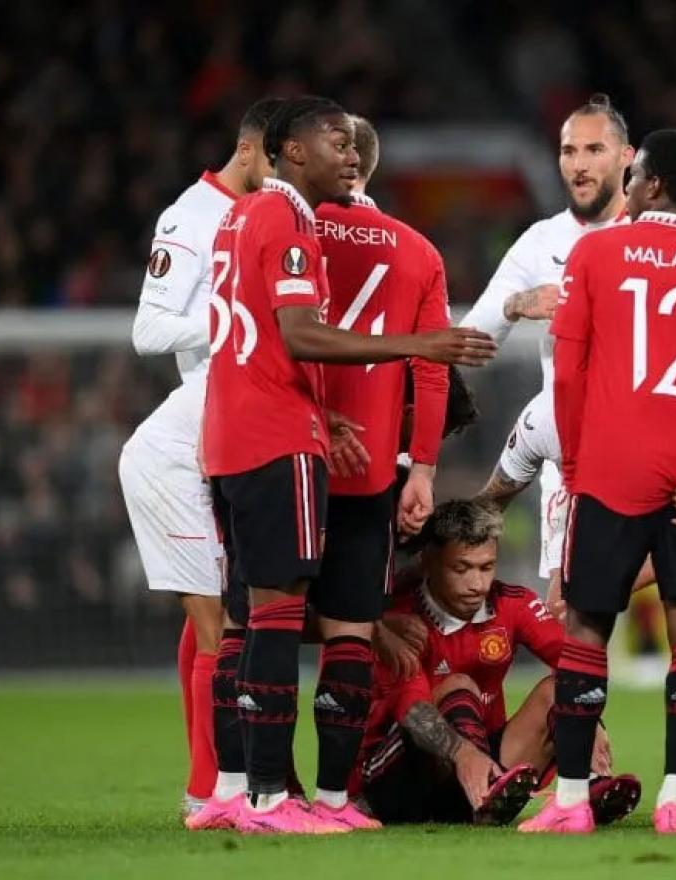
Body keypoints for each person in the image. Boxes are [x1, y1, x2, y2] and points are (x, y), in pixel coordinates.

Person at [200, 95, 496, 835]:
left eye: (346, 144)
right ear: (304, 152)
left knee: (246, 619)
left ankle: (234, 785)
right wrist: (421, 464)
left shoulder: (241, 218)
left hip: (262, 434)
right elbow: (410, 368)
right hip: (340, 457)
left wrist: (318, 411)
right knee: (345, 630)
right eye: (334, 144)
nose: (346, 157)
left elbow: (251, 333)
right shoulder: (406, 248)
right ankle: (316, 796)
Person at [520, 129, 676, 835]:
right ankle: (675, 797)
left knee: (585, 629)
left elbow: (568, 370)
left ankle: (570, 803)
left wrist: (573, 463)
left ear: (654, 185)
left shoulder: (595, 252)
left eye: (634, 176)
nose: (625, 185)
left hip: (610, 471)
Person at [475, 390, 676, 818]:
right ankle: (586, 781)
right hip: (585, 497)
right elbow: (493, 497)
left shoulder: (671, 415)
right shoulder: (545, 416)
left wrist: (602, 584)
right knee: (572, 631)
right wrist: (439, 546)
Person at [118, 96, 280, 821]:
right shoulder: (191, 216)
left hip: (230, 424)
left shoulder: (270, 213)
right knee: (220, 618)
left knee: (211, 611)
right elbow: (149, 329)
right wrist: (236, 322)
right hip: (196, 431)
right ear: (249, 151)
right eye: (280, 161)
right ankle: (219, 788)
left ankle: (203, 782)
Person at [358, 500, 641, 827]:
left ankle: (583, 787)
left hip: (478, 775)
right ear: (430, 561)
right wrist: (465, 755)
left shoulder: (512, 604)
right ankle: (488, 786)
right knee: (459, 686)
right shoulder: (402, 619)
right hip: (396, 778)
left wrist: (590, 722)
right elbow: (413, 710)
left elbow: (576, 661)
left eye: (486, 567)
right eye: (461, 569)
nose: (477, 584)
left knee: (560, 692)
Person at [460, 93, 633, 587]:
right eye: (568, 151)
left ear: (626, 157)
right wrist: (517, 304)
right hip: (572, 455)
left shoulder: (656, 233)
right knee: (568, 608)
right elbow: (472, 339)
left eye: (594, 150)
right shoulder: (541, 241)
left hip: (650, 451)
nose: (578, 165)